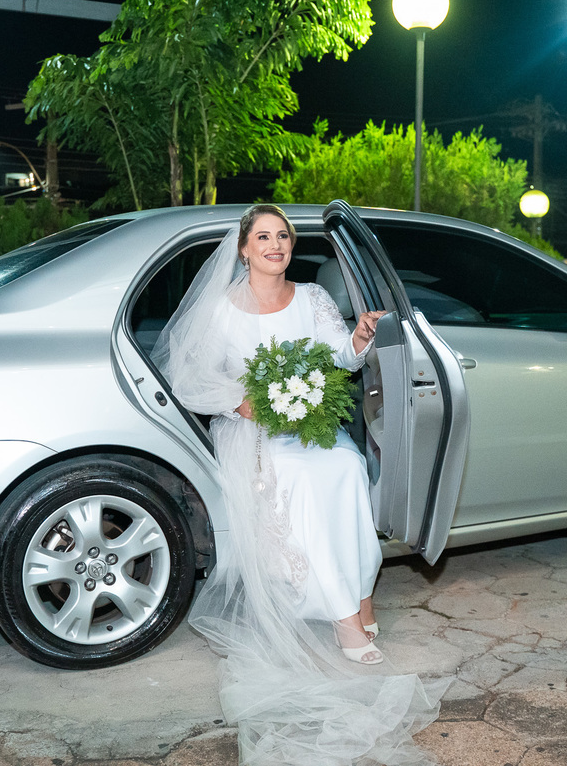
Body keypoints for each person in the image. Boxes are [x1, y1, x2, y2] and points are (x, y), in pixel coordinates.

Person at [152, 204, 447, 765]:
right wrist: (242, 403)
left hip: (309, 421)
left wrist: (360, 338)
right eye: (263, 236)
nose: (275, 244)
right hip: (252, 429)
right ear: (243, 248)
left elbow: (339, 356)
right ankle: (345, 619)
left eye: (283, 236)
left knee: (347, 466)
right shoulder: (220, 310)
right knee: (307, 479)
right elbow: (190, 377)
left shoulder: (311, 298)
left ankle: (360, 593)